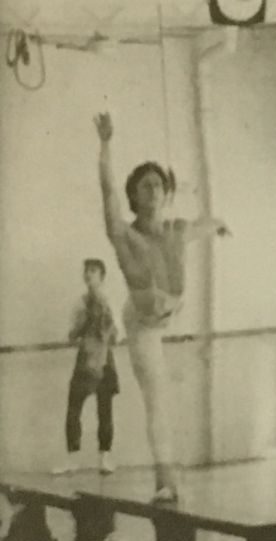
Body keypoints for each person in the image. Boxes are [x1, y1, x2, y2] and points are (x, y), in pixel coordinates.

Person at [95, 112, 229, 503]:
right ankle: (164, 478)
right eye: (145, 185)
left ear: (165, 194)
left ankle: (169, 472)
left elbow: (204, 224)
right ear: (134, 195)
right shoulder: (124, 235)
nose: (152, 190)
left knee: (168, 396)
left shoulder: (176, 230)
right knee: (158, 398)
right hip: (142, 324)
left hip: (170, 312)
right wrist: (105, 147)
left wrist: (220, 224)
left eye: (158, 185)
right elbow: (107, 195)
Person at [53, 258, 121, 476]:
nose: (88, 274)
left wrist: (105, 319)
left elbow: (117, 336)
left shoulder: (111, 301)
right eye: (86, 271)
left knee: (105, 410)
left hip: (104, 359)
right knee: (74, 409)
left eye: (93, 271)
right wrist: (85, 322)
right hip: (84, 359)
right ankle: (72, 458)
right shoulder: (79, 303)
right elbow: (71, 335)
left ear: (101, 276)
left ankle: (105, 458)